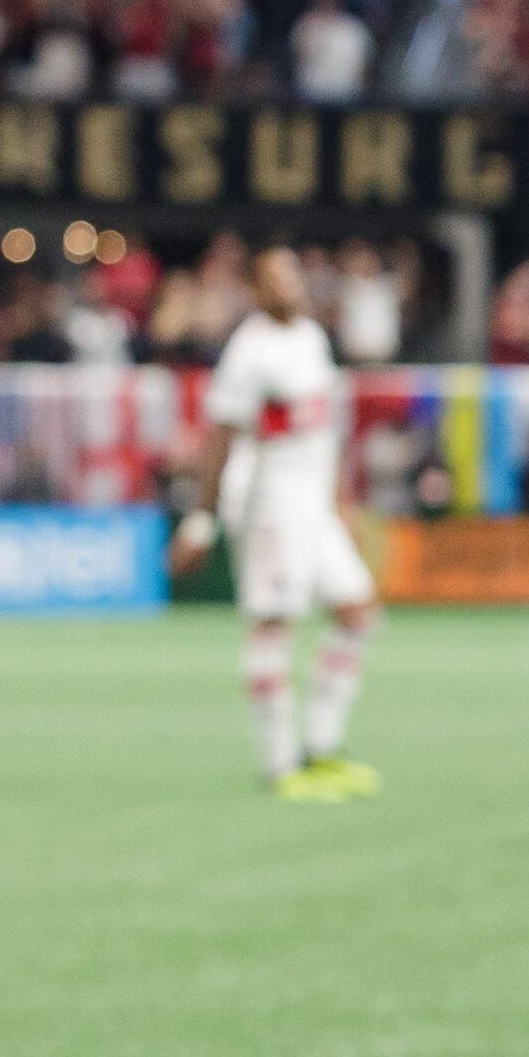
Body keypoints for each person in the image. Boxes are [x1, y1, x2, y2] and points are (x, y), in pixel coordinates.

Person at [173, 243, 382, 804]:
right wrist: (200, 519)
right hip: (271, 505)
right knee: (274, 624)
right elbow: (219, 435)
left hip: (314, 506)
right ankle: (280, 763)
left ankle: (322, 747)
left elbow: (323, 432)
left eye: (293, 276)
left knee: (357, 611)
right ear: (257, 290)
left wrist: (341, 502)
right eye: (275, 279)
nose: (289, 287)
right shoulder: (250, 352)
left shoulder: (311, 339)